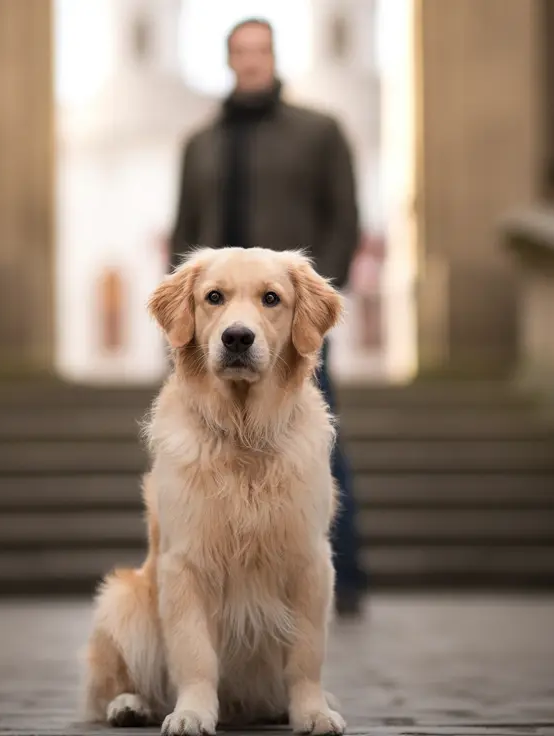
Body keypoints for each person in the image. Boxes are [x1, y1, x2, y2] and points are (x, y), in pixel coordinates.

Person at [168, 17, 366, 616]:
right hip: (215, 329)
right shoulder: (200, 144)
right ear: (230, 59)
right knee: (205, 455)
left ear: (274, 57)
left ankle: (343, 577)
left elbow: (346, 222)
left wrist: (303, 315)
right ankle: (227, 583)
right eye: (241, 51)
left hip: (286, 331)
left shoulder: (320, 132)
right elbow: (182, 235)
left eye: (261, 51)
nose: (251, 61)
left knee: (317, 449)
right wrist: (192, 324)